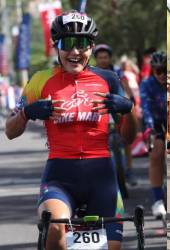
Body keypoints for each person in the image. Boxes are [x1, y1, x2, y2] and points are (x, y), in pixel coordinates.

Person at [5, 11, 134, 250]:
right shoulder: (40, 80)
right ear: (56, 45)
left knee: (112, 248)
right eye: (67, 43)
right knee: (56, 227)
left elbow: (129, 138)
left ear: (91, 46)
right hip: (60, 178)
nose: (75, 52)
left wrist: (129, 111)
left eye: (82, 43)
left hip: (102, 177)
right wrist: (28, 112)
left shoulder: (108, 79)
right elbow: (10, 132)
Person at [93, 44, 138, 187]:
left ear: (110, 58)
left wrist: (130, 100)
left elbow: (126, 88)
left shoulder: (118, 72)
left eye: (105, 57)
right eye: (100, 58)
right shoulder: (92, 73)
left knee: (126, 139)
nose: (103, 60)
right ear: (96, 59)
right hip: (100, 109)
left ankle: (129, 170)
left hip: (117, 106)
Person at [140, 51, 167, 218]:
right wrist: (150, 127)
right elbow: (146, 107)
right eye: (158, 71)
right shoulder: (147, 84)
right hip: (155, 123)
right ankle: (157, 200)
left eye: (165, 70)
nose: (163, 74)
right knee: (156, 155)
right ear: (153, 71)